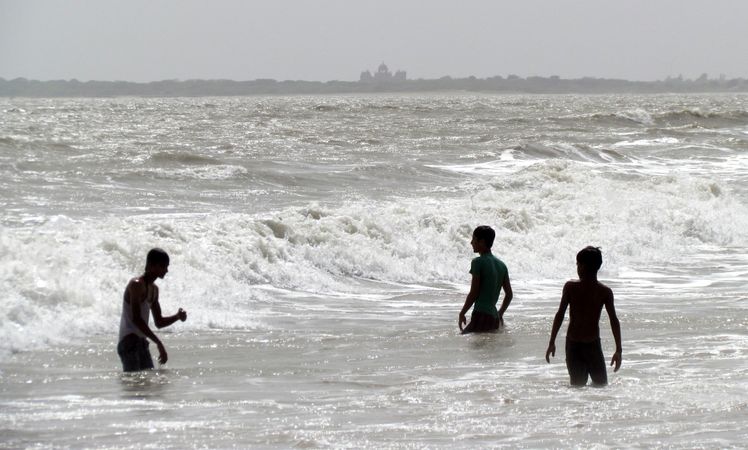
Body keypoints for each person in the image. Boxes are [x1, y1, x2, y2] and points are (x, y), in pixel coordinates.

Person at [545, 246, 622, 386]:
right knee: (600, 386)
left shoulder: (572, 287)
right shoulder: (604, 291)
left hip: (576, 345)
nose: (577, 268)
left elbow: (560, 315)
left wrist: (552, 342)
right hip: (590, 345)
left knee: (578, 387)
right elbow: (614, 321)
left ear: (583, 266)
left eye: (578, 264)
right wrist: (618, 350)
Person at [117, 248, 187, 372]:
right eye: (163, 266)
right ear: (151, 265)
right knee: (135, 385)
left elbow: (159, 322)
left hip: (142, 343)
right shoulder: (136, 284)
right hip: (129, 342)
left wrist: (177, 317)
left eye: (167, 266)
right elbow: (136, 319)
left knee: (147, 385)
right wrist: (158, 342)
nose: (166, 270)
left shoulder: (154, 290)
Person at [458, 225, 513, 333]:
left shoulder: (477, 262)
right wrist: (500, 313)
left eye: (473, 239)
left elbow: (474, 292)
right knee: (486, 348)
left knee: (465, 342)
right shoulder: (502, 265)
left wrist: (462, 312)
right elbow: (509, 295)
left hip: (481, 314)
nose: (471, 242)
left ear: (482, 242)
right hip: (494, 318)